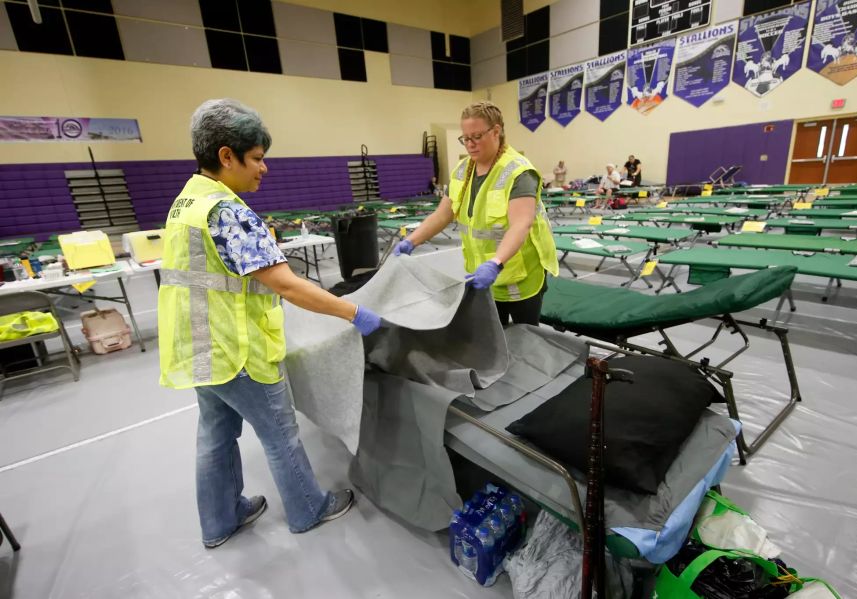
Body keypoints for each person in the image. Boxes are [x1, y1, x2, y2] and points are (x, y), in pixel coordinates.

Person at [158, 98, 382, 549]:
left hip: (199, 343)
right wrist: (355, 313)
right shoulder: (227, 212)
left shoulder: (188, 201)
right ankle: (308, 508)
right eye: (257, 159)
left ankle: (220, 519)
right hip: (237, 347)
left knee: (216, 434)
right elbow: (288, 286)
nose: (264, 169)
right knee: (280, 434)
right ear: (227, 156)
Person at [393, 100, 558, 326]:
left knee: (526, 341)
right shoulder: (462, 171)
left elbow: (522, 224)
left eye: (476, 137)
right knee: (490, 338)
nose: (469, 144)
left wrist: (496, 263)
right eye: (465, 138)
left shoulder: (518, 171)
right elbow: (443, 214)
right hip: (481, 277)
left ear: (496, 131)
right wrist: (411, 242)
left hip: (519, 275)